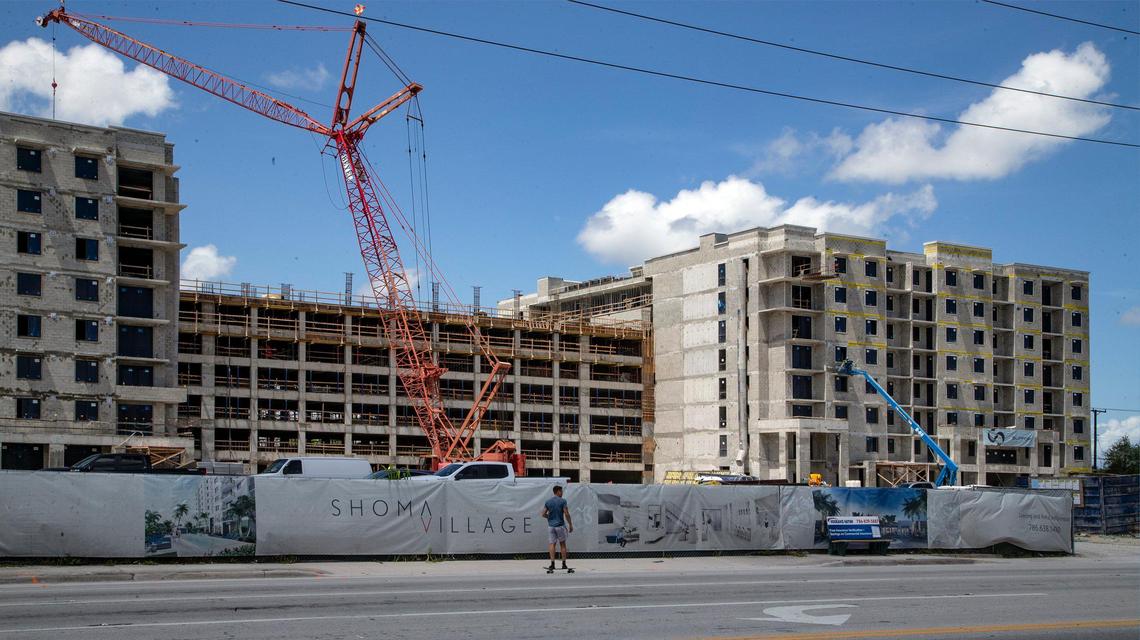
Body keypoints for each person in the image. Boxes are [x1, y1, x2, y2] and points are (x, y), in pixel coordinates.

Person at [542, 485, 572, 571]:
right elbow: (566, 513)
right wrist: (570, 524)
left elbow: (543, 514)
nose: (562, 493)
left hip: (551, 526)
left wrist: (549, 517)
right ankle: (564, 564)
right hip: (560, 525)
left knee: (552, 544)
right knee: (562, 544)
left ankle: (552, 564)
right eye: (561, 491)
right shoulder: (563, 501)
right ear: (558, 491)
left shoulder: (548, 502)